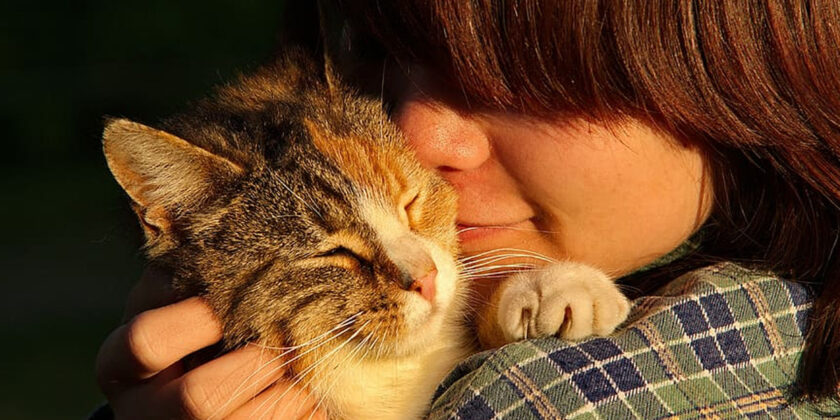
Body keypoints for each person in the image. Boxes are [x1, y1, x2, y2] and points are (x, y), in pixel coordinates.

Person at [93, 1, 840, 418]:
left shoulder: (535, 402)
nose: (413, 136)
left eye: (516, 78)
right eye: (379, 54)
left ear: (745, 74)